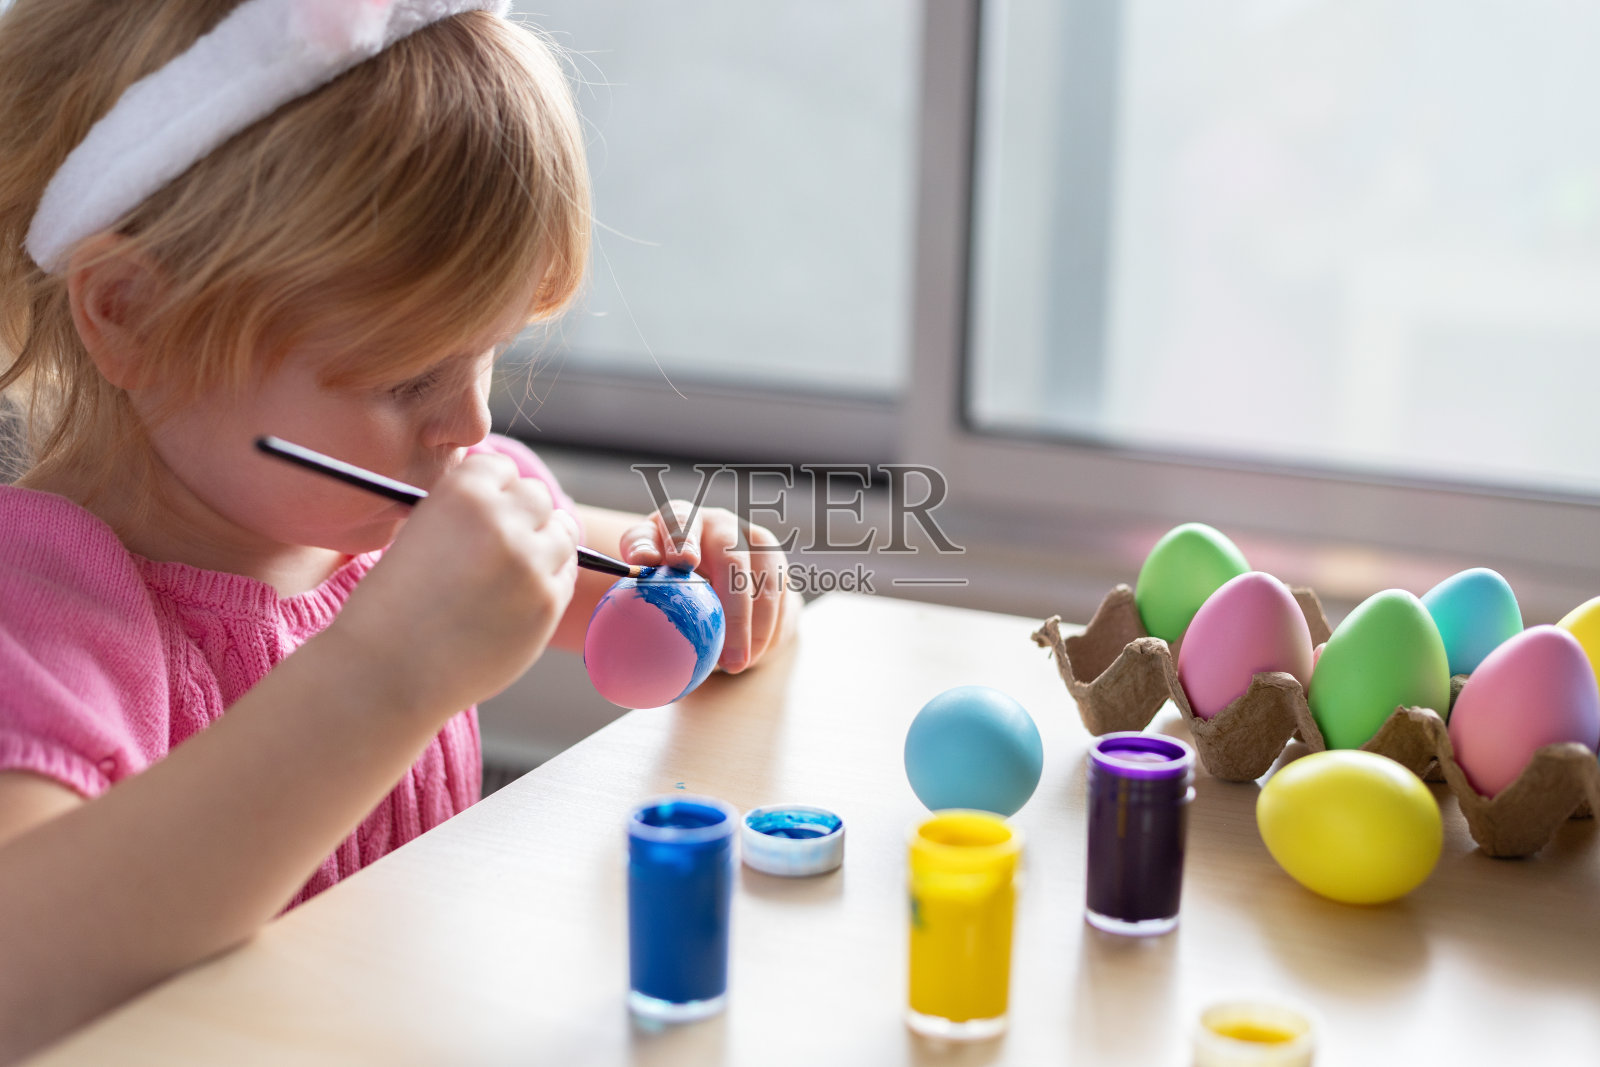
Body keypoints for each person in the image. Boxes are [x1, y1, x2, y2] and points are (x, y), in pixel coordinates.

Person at [0, 1, 797, 1057]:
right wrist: (386, 671)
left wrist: (701, 576)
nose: (470, 424)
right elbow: (25, 972)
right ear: (131, 313)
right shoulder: (44, 603)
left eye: (486, 353)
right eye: (405, 374)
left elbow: (624, 601)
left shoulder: (396, 504)